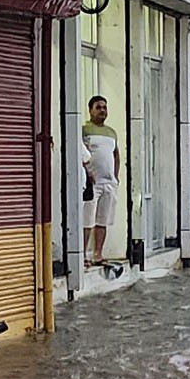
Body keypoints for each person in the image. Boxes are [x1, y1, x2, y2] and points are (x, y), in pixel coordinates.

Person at [81, 96, 121, 268]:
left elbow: (116, 155)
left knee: (102, 221)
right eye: (98, 107)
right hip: (92, 183)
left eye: (105, 107)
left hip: (108, 183)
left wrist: (116, 176)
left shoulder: (112, 132)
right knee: (87, 221)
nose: (103, 111)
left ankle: (98, 254)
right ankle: (82, 256)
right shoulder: (84, 130)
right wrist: (86, 173)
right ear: (90, 110)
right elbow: (81, 154)